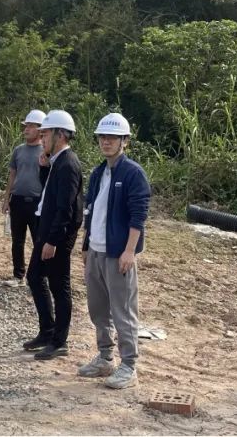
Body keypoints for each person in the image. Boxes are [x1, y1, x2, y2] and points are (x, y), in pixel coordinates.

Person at [76, 113, 151, 389]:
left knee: (123, 310)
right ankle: (105, 357)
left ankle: (129, 365)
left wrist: (129, 251)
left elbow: (138, 216)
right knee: (98, 309)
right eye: (102, 137)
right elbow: (90, 210)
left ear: (124, 141)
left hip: (118, 253)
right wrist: (86, 245)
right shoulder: (98, 173)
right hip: (96, 251)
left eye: (112, 138)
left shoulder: (133, 173)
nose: (106, 142)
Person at [22, 109, 82, 360]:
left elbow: (65, 208)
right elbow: (50, 193)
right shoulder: (56, 162)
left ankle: (59, 341)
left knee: (59, 286)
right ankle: (47, 331)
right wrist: (44, 168)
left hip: (57, 235)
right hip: (47, 230)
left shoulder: (68, 164)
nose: (42, 138)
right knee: (35, 277)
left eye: (46, 134)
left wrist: (53, 241)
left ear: (61, 135)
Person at [0, 109, 47, 287]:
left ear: (41, 130)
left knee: (38, 241)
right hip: (18, 201)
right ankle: (18, 276)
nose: (26, 129)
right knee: (17, 241)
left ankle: (39, 277)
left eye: (31, 126)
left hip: (38, 203)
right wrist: (6, 199)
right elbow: (12, 175)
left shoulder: (46, 151)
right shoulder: (18, 150)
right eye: (26, 126)